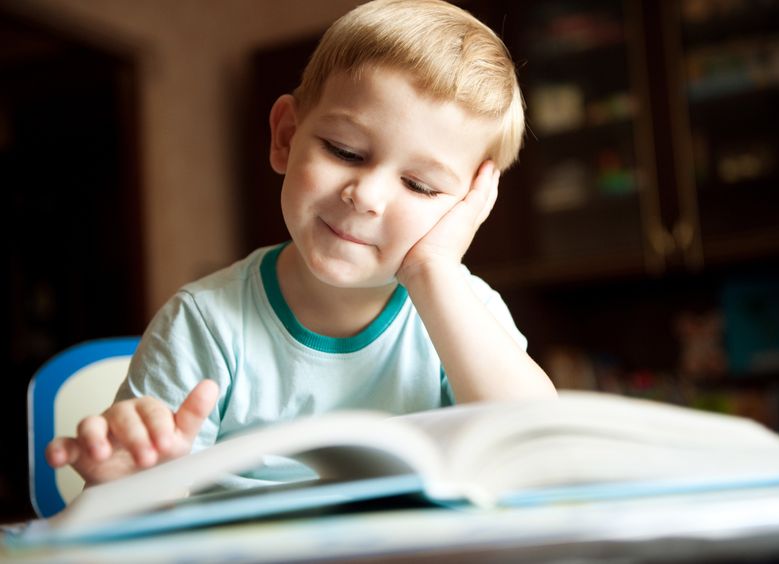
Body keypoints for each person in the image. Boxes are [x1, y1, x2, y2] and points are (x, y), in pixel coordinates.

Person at [45, 0, 557, 488]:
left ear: (470, 204)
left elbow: (537, 454)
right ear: (286, 136)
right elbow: (140, 513)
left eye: (420, 185)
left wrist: (433, 270)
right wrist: (124, 486)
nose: (366, 196)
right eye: (345, 151)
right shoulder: (204, 323)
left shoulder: (464, 314)